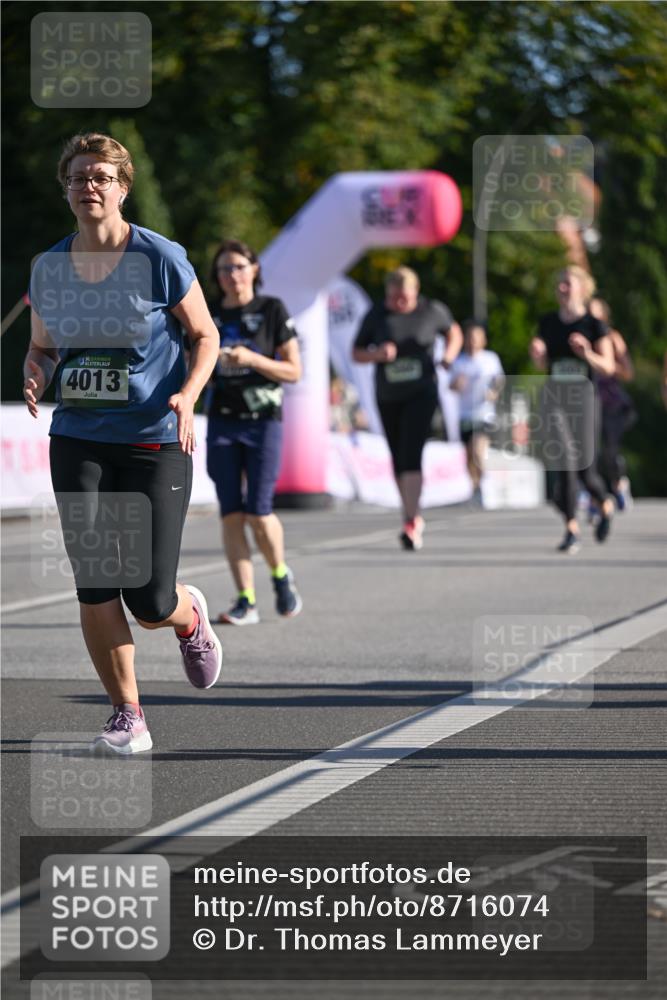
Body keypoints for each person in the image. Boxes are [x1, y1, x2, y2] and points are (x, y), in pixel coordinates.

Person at [23, 132, 222, 754]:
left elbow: (205, 336)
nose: (90, 187)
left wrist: (188, 395)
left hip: (154, 440)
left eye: (102, 177)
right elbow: (44, 346)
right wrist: (35, 370)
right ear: (66, 188)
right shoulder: (51, 266)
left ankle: (188, 614)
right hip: (79, 436)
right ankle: (127, 713)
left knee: (147, 595)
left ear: (123, 188)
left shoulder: (160, 257)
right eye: (79, 177)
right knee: (95, 580)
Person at [205, 239, 302, 625]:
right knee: (231, 514)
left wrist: (252, 359)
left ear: (254, 269)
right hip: (222, 421)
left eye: (239, 267)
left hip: (263, 421)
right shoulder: (209, 314)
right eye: (225, 269)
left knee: (259, 513)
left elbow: (294, 371)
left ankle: (280, 575)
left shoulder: (271, 309)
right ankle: (246, 599)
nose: (232, 275)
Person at [352, 266, 462, 550]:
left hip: (422, 392)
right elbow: (356, 352)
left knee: (412, 452)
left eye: (405, 297)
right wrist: (376, 354)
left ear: (416, 292)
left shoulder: (431, 310)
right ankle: (410, 514)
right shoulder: (377, 314)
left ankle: (411, 520)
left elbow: (454, 332)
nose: (399, 302)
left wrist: (449, 356)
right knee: (397, 457)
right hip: (388, 394)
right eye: (394, 297)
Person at [529, 265, 616, 554]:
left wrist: (587, 353)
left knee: (585, 470)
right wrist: (538, 355)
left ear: (582, 288)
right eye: (560, 284)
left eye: (568, 283)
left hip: (585, 400)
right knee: (565, 463)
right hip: (555, 399)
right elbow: (543, 365)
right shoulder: (548, 322)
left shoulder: (594, 325)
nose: (562, 289)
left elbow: (609, 366)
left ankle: (604, 502)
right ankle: (571, 529)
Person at [449, 320, 505, 505]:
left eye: (476, 337)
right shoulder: (459, 361)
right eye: (470, 337)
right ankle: (476, 487)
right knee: (468, 456)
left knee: (477, 449)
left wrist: (494, 392)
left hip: (484, 414)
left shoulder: (490, 359)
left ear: (483, 340)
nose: (473, 341)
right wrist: (457, 384)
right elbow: (451, 385)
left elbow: (499, 380)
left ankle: (484, 484)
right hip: (465, 414)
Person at [588, 296, 636, 510]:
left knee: (609, 451)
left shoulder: (613, 338)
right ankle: (592, 495)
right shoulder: (581, 338)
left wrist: (606, 365)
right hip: (588, 402)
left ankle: (619, 483)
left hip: (613, 404)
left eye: (595, 312)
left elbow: (628, 373)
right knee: (589, 452)